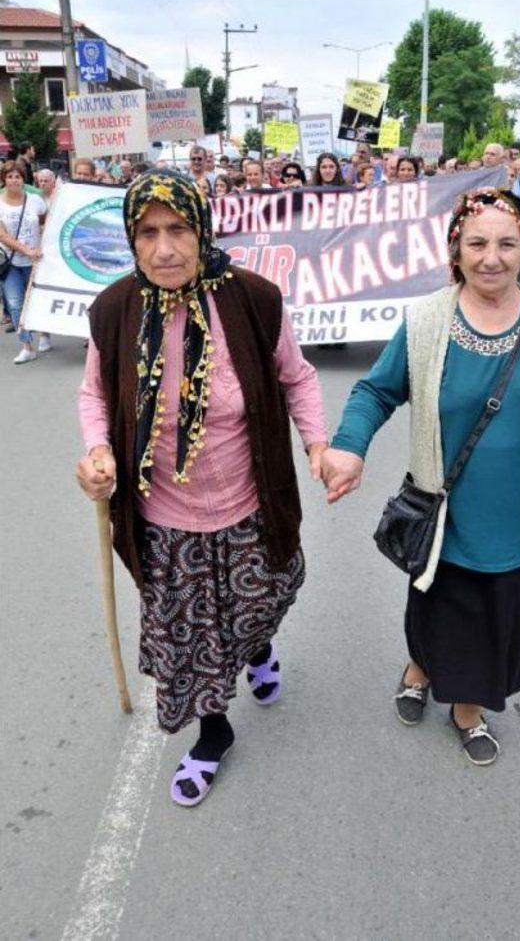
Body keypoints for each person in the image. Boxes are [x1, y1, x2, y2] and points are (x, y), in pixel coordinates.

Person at [320, 188, 520, 767]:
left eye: (507, 243)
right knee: (434, 612)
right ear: (456, 249)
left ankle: (468, 708)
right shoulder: (427, 320)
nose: (491, 258)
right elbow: (377, 389)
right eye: (477, 243)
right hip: (445, 518)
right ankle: (420, 668)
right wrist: (349, 446)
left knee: (500, 620)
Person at [75, 169, 328, 807]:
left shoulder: (252, 299)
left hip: (250, 499)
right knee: (190, 637)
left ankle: (260, 646)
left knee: (263, 598)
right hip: (164, 515)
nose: (164, 248)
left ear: (202, 228)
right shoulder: (113, 311)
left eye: (178, 228)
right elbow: (95, 395)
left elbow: (296, 378)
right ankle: (214, 732)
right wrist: (99, 451)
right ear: (132, 241)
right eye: (148, 233)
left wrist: (319, 445)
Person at [0, 159, 47, 362]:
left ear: (23, 178)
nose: (14, 180)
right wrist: (27, 250)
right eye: (9, 177)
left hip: (37, 262)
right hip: (10, 262)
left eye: (17, 176)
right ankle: (27, 345)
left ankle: (45, 334)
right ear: (4, 180)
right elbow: (3, 236)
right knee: (15, 303)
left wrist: (41, 246)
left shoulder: (35, 200)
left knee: (39, 300)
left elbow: (46, 221)